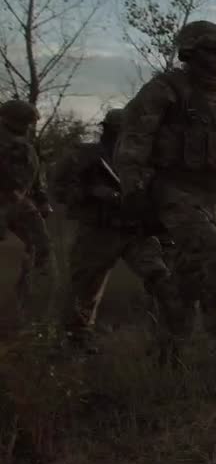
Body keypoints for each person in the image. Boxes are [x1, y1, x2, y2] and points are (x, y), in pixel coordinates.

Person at [114, 20, 216, 374]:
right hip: (174, 192)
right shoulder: (165, 90)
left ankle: (169, 353)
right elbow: (133, 142)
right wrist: (134, 192)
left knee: (191, 276)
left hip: (214, 197)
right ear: (190, 53)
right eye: (212, 51)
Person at [50, 108, 180, 355]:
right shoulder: (84, 156)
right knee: (84, 289)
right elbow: (59, 188)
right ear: (109, 130)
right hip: (98, 233)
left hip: (136, 232)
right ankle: (75, 340)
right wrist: (92, 193)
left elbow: (160, 192)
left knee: (162, 280)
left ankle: (169, 338)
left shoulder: (144, 159)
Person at [0, 99, 54, 324]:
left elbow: (34, 176)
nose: (30, 126)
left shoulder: (26, 145)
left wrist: (42, 201)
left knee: (41, 250)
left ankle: (23, 307)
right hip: (4, 203)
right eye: (27, 122)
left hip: (21, 204)